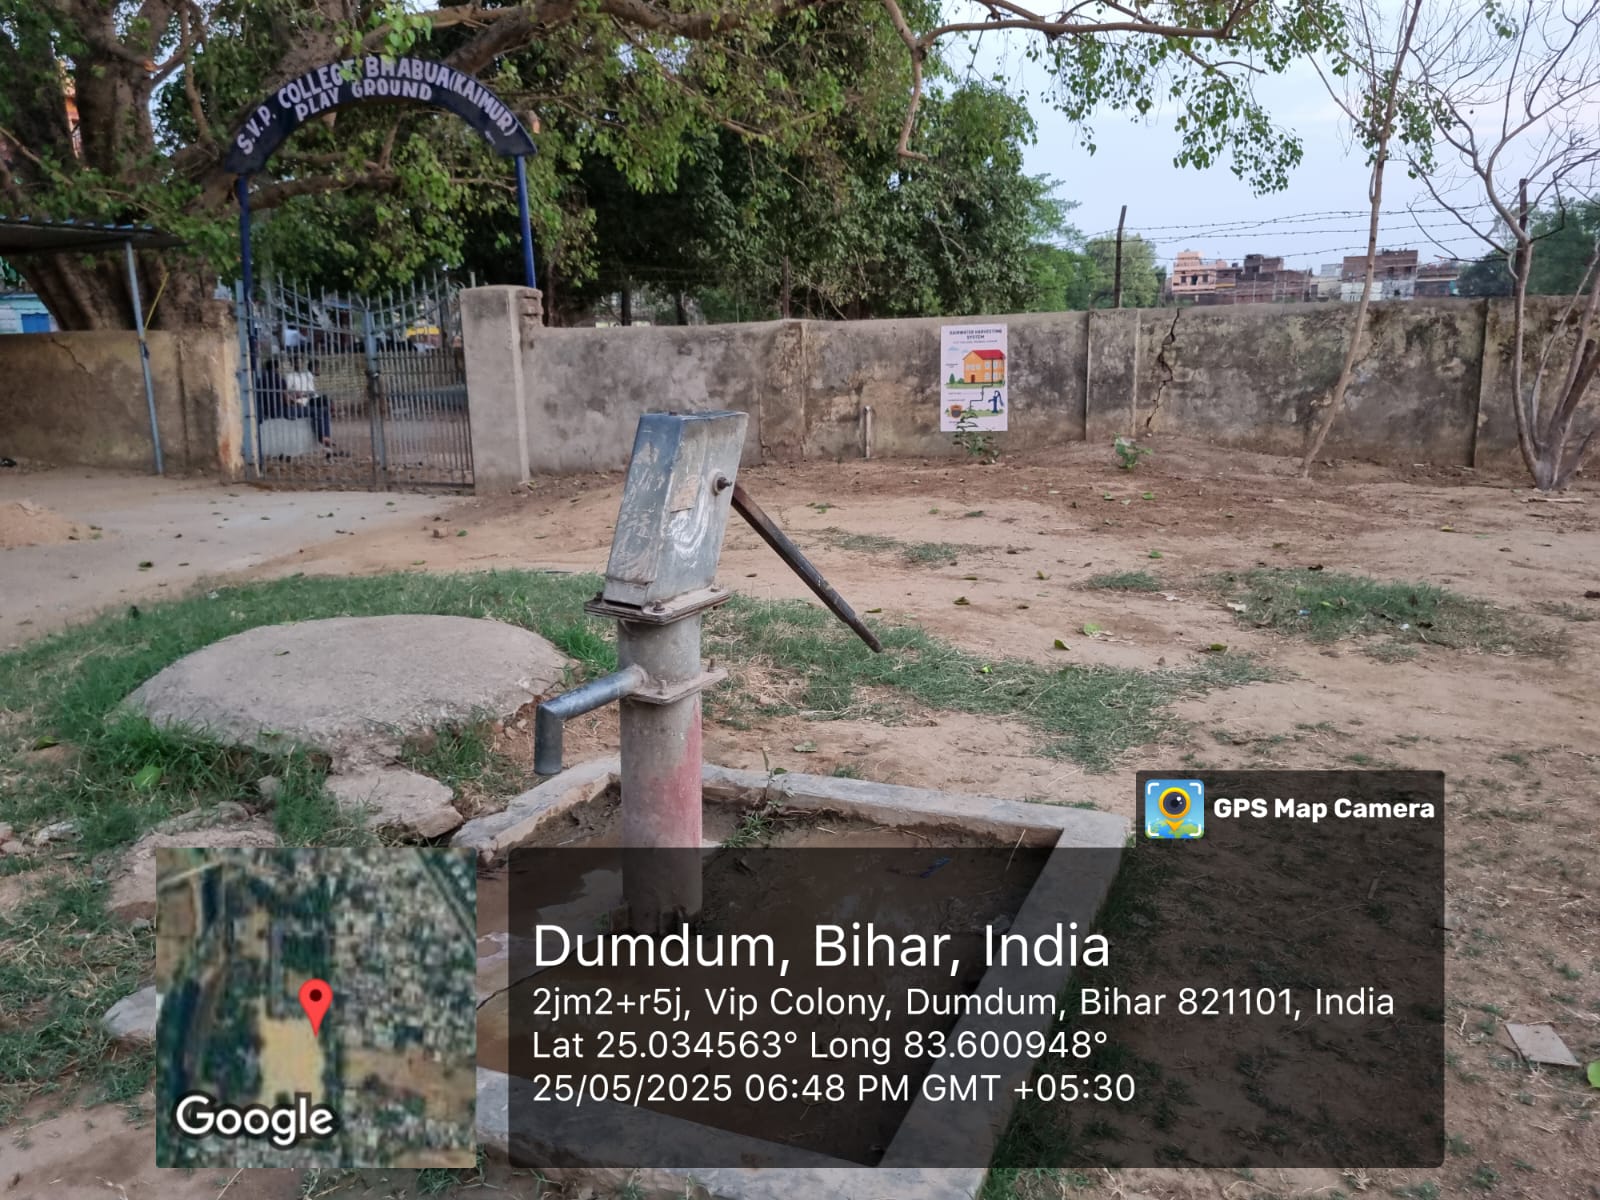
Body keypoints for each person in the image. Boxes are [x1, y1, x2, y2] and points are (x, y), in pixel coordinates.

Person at [283, 351, 336, 450]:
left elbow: (315, 378)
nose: (299, 364)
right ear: (292, 364)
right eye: (296, 362)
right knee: (320, 411)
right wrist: (295, 397)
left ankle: (326, 436)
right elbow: (286, 393)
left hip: (311, 399)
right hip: (300, 402)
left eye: (300, 362)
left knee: (325, 403)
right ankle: (322, 437)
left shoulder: (305, 375)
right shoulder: (290, 377)